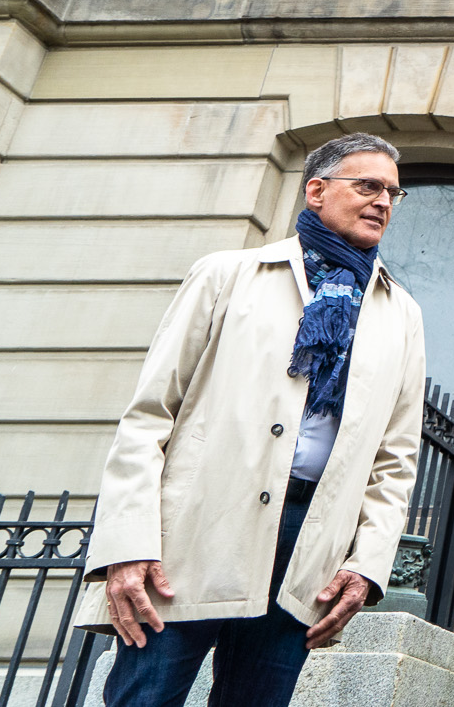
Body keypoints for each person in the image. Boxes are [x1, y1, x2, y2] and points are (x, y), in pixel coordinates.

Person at [76, 132, 429, 707]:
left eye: (393, 192)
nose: (384, 201)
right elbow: (149, 416)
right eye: (368, 185)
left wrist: (367, 566)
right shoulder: (227, 274)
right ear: (317, 191)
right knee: (145, 697)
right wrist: (127, 543)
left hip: (307, 547)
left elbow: (396, 458)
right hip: (190, 536)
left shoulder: (402, 314)